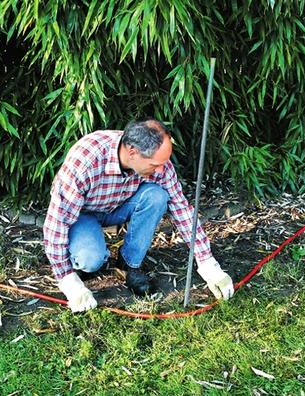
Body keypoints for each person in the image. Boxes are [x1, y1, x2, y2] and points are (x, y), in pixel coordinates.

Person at [43, 119, 234, 312]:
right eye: (155, 164)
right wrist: (68, 282)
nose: (161, 170)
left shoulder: (157, 163)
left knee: (157, 196)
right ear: (132, 152)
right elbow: (56, 224)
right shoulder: (86, 160)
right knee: (90, 261)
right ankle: (83, 263)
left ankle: (128, 263)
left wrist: (208, 264)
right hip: (82, 215)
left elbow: (181, 208)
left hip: (118, 206)